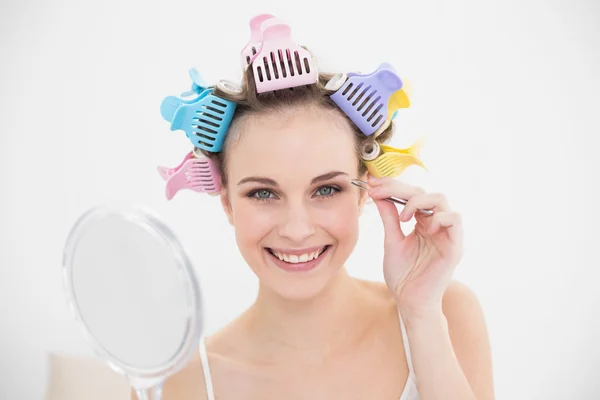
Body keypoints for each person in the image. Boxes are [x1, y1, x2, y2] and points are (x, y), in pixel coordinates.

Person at [140, 14, 494, 400]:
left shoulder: (445, 315)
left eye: (325, 190)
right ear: (226, 202)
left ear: (363, 193)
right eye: (263, 193)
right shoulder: (182, 386)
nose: (297, 229)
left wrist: (420, 316)